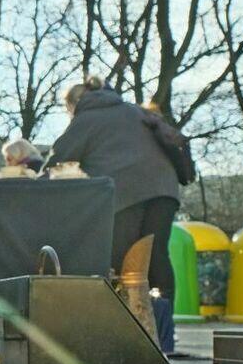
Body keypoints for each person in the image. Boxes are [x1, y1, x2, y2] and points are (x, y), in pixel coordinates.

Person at [45, 76, 181, 310]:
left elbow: (59, 159)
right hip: (164, 187)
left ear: (74, 103)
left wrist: (35, 178)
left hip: (125, 192)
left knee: (120, 258)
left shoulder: (87, 117)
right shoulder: (134, 110)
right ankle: (164, 319)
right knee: (156, 255)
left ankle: (123, 316)